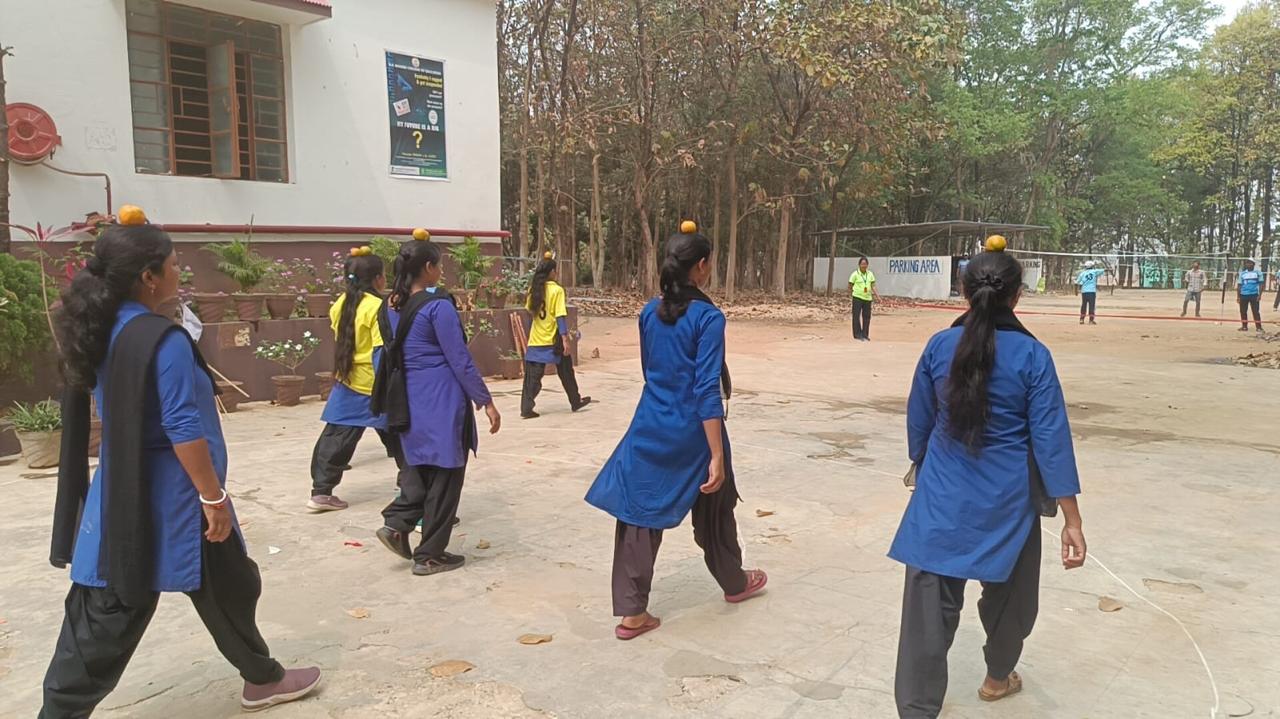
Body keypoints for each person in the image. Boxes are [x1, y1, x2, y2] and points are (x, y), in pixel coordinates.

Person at [43, 216, 320, 717]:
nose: (179, 272)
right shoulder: (161, 339)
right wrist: (213, 497)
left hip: (130, 486)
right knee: (112, 607)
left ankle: (263, 678)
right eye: (173, 265)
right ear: (149, 276)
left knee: (229, 585)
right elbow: (181, 424)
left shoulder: (101, 327)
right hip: (172, 498)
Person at [889, 248, 1087, 719]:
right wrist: (1072, 520)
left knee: (926, 612)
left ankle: (916, 710)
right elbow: (1051, 440)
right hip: (1007, 503)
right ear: (1017, 297)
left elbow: (919, 424)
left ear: (964, 292)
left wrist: (925, 470)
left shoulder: (939, 346)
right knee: (1012, 602)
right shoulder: (1033, 356)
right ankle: (998, 678)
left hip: (941, 500)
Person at [585, 222, 767, 642]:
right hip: (694, 430)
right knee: (716, 504)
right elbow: (706, 389)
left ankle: (633, 613)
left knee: (637, 512)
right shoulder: (709, 318)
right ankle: (735, 582)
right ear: (701, 266)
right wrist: (716, 454)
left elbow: (650, 370)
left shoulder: (648, 312)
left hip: (650, 422)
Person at [373, 238, 501, 576]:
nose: (442, 270)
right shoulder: (438, 307)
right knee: (446, 474)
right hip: (441, 399)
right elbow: (459, 358)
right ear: (428, 268)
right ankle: (429, 554)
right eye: (439, 264)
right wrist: (485, 400)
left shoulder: (390, 305)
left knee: (419, 467)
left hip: (405, 399)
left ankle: (397, 524)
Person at [307, 247, 403, 512]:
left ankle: (321, 492)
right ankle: (410, 488)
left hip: (347, 379)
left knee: (335, 437)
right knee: (402, 437)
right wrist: (390, 388)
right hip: (374, 384)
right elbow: (380, 351)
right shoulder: (378, 307)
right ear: (378, 279)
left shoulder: (339, 304)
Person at [520, 252, 591, 419]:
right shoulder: (557, 290)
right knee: (566, 371)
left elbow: (530, 313)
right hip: (553, 338)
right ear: (552, 272)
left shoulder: (533, 290)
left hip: (536, 338)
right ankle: (575, 400)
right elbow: (560, 316)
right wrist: (565, 338)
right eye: (555, 270)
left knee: (533, 377)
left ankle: (526, 407)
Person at [849, 257, 881, 341]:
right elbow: (850, 285)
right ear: (859, 265)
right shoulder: (855, 274)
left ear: (867, 265)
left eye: (865, 264)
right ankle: (857, 334)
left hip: (867, 298)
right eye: (862, 264)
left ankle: (865, 334)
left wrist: (877, 296)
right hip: (857, 297)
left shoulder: (870, 274)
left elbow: (873, 286)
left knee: (867, 317)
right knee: (856, 316)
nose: (864, 266)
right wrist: (851, 293)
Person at [1075, 260, 1106, 325]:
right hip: (1091, 291)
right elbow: (1104, 270)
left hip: (1084, 292)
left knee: (1084, 305)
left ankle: (1081, 319)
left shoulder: (1082, 273)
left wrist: (1076, 291)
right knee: (1091, 305)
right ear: (1092, 266)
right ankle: (1091, 320)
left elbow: (1076, 282)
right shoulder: (1094, 271)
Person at [1237, 259, 1263, 333]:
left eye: (1250, 263)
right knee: (1243, 311)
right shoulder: (1242, 274)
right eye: (1247, 263)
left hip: (1254, 295)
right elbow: (1239, 285)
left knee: (1256, 311)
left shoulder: (1258, 273)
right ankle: (1244, 326)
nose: (1248, 264)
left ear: (1253, 264)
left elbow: (1261, 284)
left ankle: (1259, 327)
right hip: (1243, 295)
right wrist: (1238, 296)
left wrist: (1260, 295)